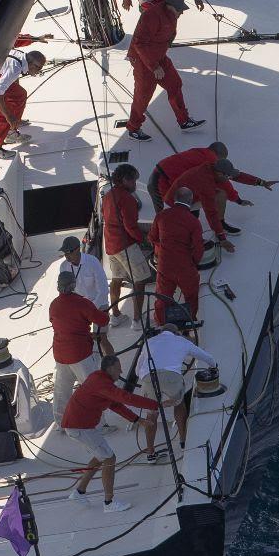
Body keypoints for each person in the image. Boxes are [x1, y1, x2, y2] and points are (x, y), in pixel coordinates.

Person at [61, 355, 158, 511]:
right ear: (111, 368)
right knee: (109, 457)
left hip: (81, 426)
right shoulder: (101, 383)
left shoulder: (100, 380)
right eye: (119, 367)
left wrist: (138, 420)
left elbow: (116, 405)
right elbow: (126, 398)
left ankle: (79, 492)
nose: (121, 370)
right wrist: (156, 404)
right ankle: (109, 503)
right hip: (79, 427)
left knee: (101, 456)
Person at [125, 0, 204, 140]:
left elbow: (167, 36)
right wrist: (154, 67)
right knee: (143, 95)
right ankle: (133, 128)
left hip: (159, 56)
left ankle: (184, 121)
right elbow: (139, 44)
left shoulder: (171, 14)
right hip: (143, 60)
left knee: (175, 84)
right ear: (169, 6)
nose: (181, 12)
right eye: (179, 9)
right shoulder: (151, 16)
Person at [135, 324, 218, 461]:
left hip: (148, 378)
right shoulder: (181, 341)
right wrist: (214, 366)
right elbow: (205, 356)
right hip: (171, 377)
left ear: (161, 332)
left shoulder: (149, 342)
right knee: (179, 404)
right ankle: (183, 441)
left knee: (151, 415)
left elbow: (137, 371)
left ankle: (150, 453)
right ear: (177, 333)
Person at [165, 157, 278, 249]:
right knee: (194, 223)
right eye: (228, 176)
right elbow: (211, 212)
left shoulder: (213, 168)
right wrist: (221, 238)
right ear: (220, 173)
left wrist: (262, 183)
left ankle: (220, 223)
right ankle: (193, 237)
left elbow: (238, 176)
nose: (230, 178)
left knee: (220, 194)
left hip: (188, 193)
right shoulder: (205, 182)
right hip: (177, 203)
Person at [147, 142, 278, 217]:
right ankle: (161, 242)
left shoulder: (201, 152)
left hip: (158, 176)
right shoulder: (211, 161)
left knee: (188, 209)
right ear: (219, 156)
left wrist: (259, 182)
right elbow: (226, 184)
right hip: (161, 182)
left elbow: (232, 174)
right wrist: (238, 200)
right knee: (167, 217)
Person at [49, 271, 112, 425]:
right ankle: (100, 425)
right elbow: (103, 321)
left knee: (61, 391)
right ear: (73, 285)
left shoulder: (54, 305)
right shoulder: (82, 303)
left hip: (60, 354)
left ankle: (60, 423)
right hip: (80, 355)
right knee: (94, 389)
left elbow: (62, 324)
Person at [101, 164, 151, 326]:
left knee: (116, 279)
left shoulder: (108, 195)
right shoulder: (127, 198)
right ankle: (137, 321)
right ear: (125, 180)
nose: (135, 185)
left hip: (111, 245)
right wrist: (144, 239)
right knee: (140, 280)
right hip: (125, 246)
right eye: (133, 181)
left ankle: (115, 316)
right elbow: (130, 226)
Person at [148, 187, 205, 325]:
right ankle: (189, 322)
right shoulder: (193, 221)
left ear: (174, 200)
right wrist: (193, 262)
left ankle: (161, 324)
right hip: (185, 266)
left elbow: (152, 237)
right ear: (190, 201)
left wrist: (163, 250)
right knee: (191, 296)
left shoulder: (161, 215)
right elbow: (199, 248)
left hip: (164, 264)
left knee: (162, 297)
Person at [0, 44, 46, 160]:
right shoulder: (15, 68)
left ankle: (11, 132)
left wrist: (14, 110)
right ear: (30, 62)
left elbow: (13, 78)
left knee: (20, 94)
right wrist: (10, 116)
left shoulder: (21, 57)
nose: (39, 70)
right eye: (38, 67)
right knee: (4, 116)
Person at [58, 236, 109, 325]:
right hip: (78, 307)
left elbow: (103, 291)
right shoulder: (63, 266)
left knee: (101, 337)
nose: (66, 256)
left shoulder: (93, 262)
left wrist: (89, 311)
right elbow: (64, 293)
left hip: (98, 303)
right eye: (64, 253)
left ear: (78, 249)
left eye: (69, 252)